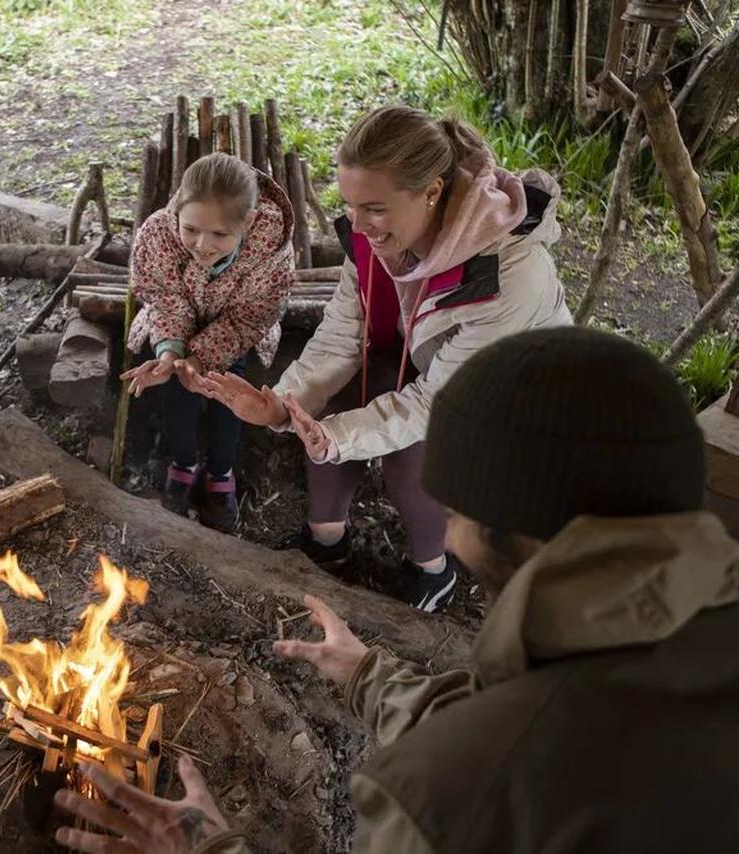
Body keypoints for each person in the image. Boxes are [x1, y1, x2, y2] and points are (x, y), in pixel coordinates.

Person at [54, 327, 739, 854]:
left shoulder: (446, 795)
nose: (446, 539)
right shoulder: (715, 622)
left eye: (453, 510)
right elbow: (530, 712)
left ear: (517, 523)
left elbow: (509, 746)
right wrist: (371, 678)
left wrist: (208, 847)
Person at [204, 105, 571, 612]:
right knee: (330, 404)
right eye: (351, 206)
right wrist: (282, 405)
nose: (360, 226)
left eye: (374, 209)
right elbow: (341, 338)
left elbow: (431, 407)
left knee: (409, 452)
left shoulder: (508, 275)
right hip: (433, 365)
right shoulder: (379, 238)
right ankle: (326, 541)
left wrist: (336, 439)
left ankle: (432, 568)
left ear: (433, 193)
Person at [120, 153, 295, 532]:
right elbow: (164, 297)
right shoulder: (157, 234)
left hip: (235, 332)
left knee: (228, 393)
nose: (202, 245)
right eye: (191, 229)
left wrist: (202, 359)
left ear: (247, 223)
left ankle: (221, 470)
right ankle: (183, 462)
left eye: (219, 235)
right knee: (173, 390)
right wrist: (171, 353)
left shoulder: (271, 251)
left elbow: (251, 316)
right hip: (174, 327)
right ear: (177, 211)